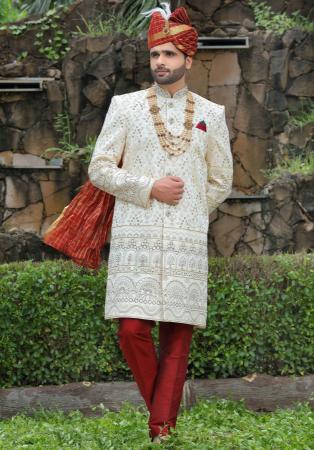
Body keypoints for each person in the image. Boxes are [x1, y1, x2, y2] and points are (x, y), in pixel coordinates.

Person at [88, 4, 233, 444]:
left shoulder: (213, 113)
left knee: (177, 337)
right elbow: (99, 168)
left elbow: (221, 179)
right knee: (131, 330)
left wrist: (186, 212)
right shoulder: (125, 107)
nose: (161, 63)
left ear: (188, 60)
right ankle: (164, 412)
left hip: (186, 242)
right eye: (155, 55)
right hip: (137, 236)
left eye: (170, 55)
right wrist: (150, 188)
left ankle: (160, 428)